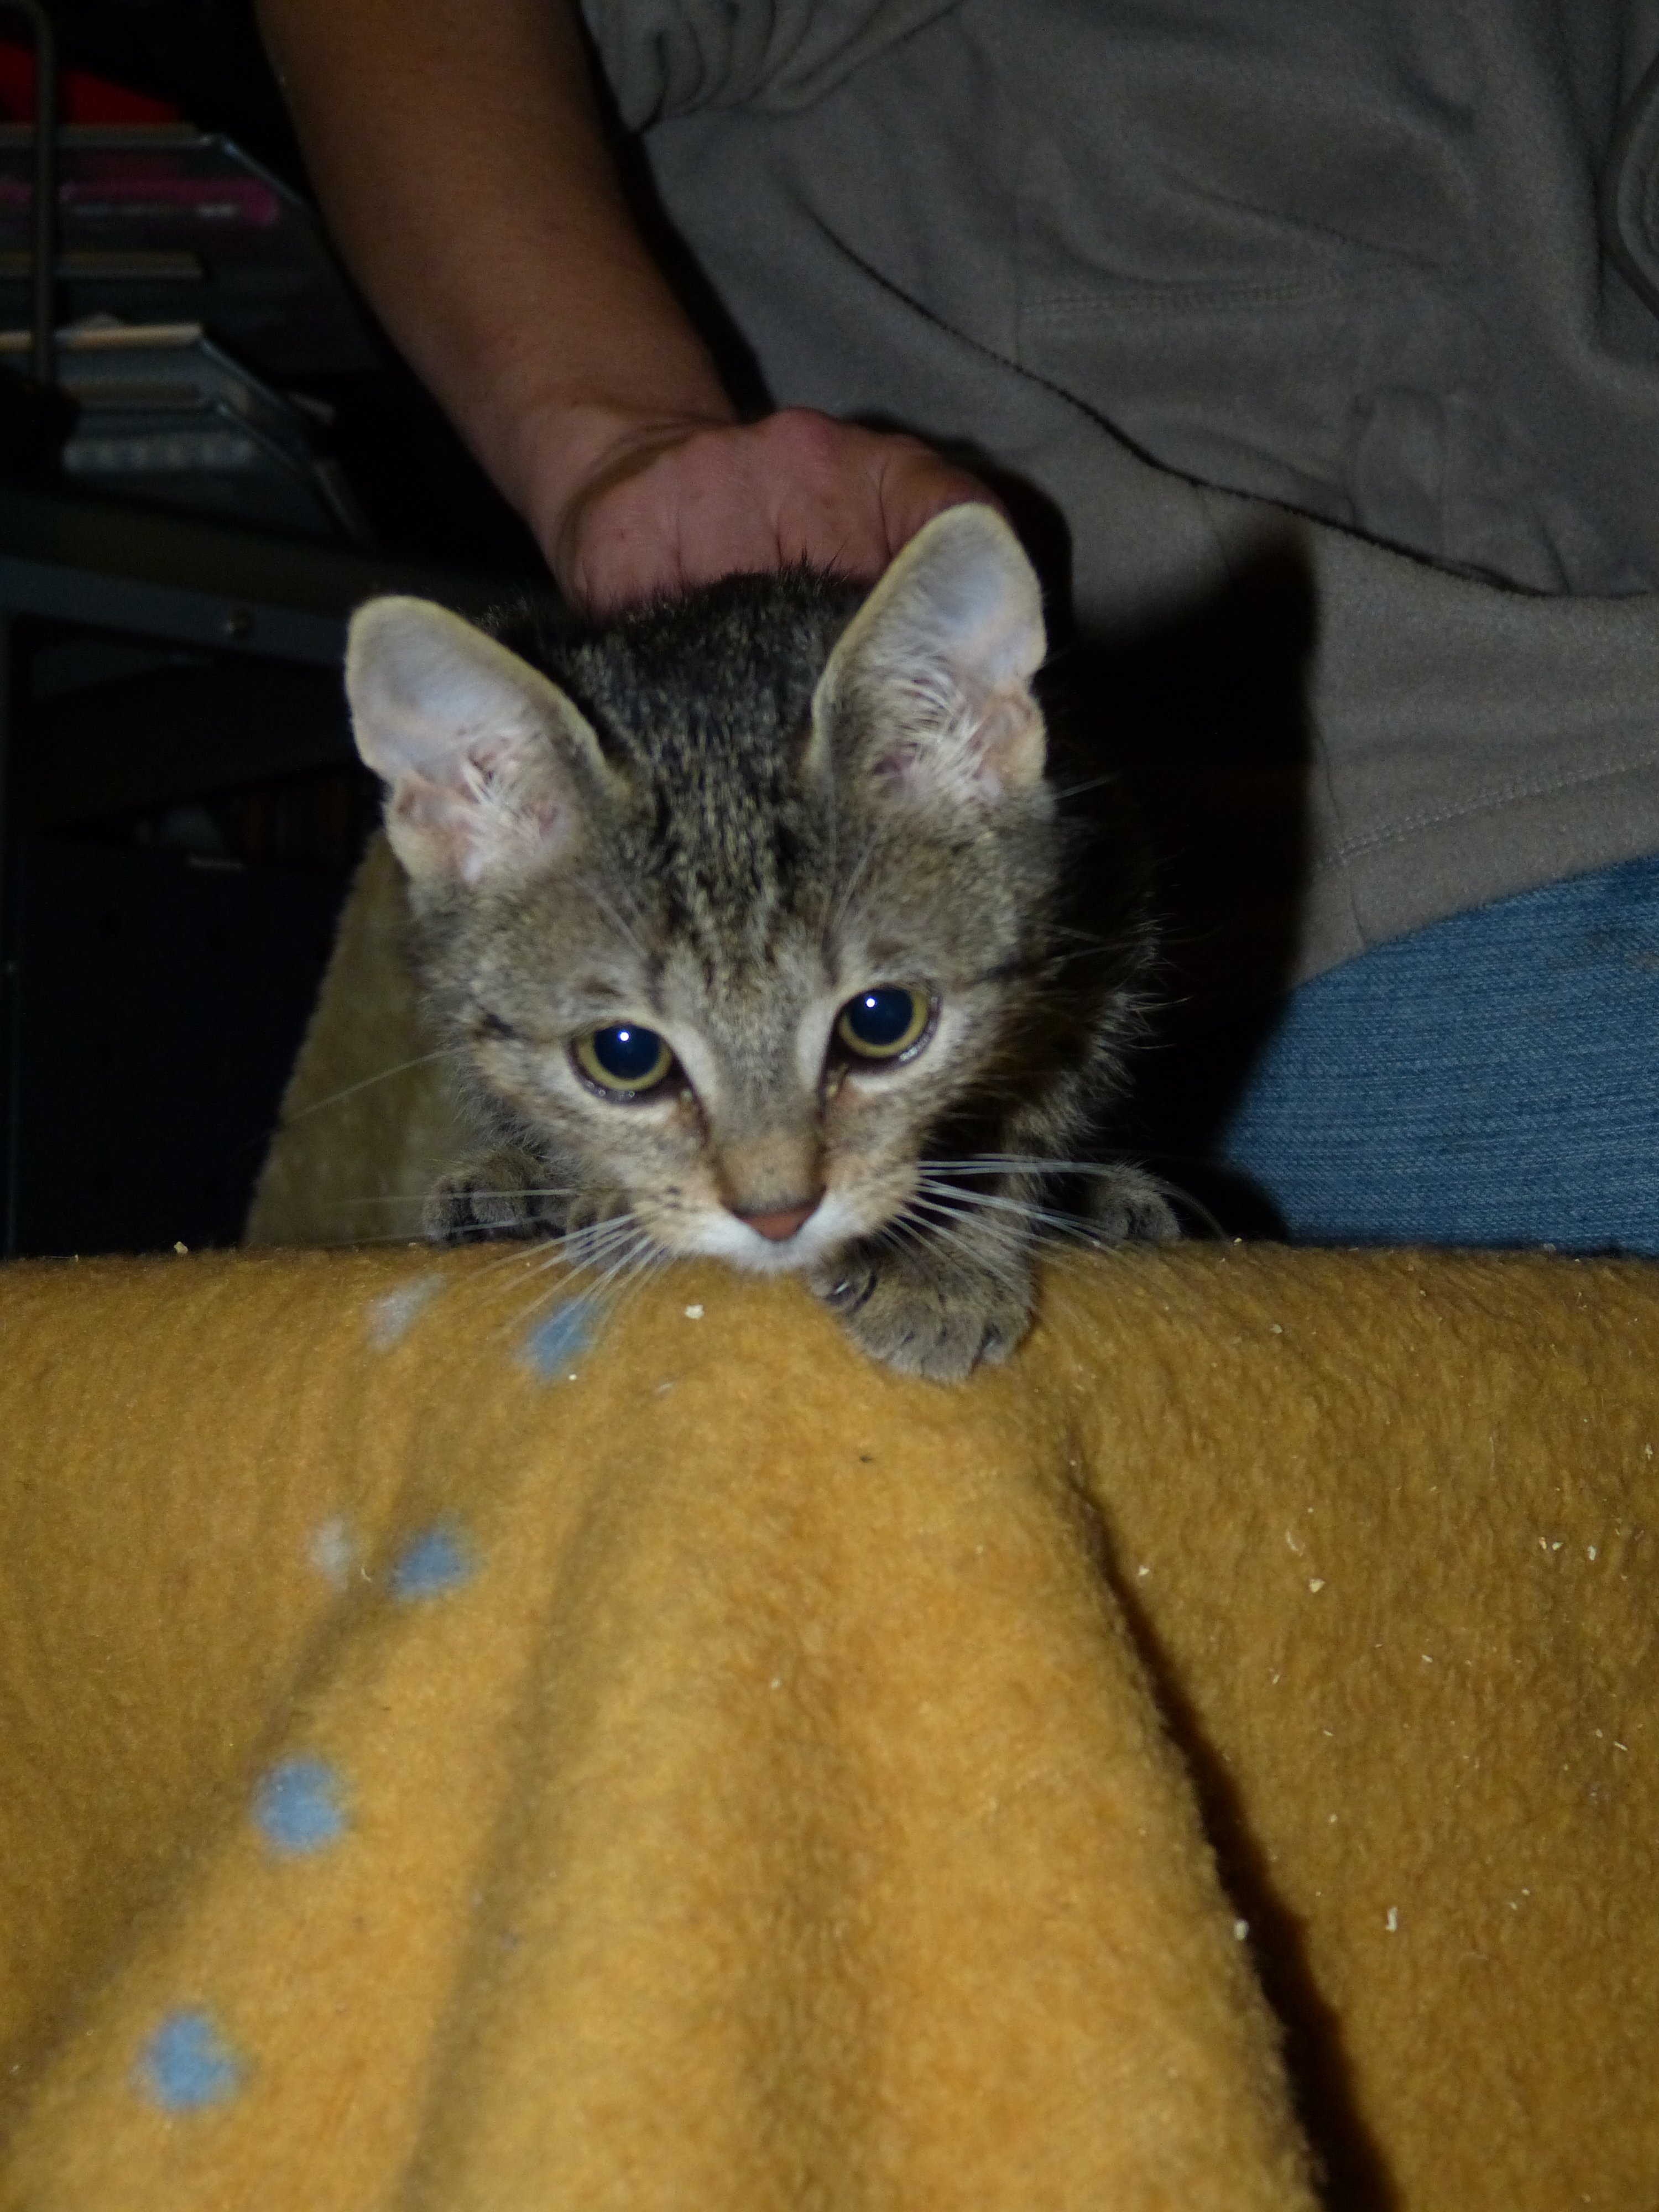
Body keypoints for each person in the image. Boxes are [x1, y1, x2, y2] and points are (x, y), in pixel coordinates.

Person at [257, 0, 1659, 1251]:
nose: (773, 1185)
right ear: (454, 814)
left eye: (877, 1025)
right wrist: (618, 436)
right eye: (630, 1055)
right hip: (1420, 834)